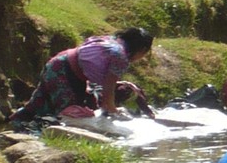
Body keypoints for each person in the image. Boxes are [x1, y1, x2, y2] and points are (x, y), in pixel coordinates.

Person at [9, 27, 154, 123]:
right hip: (64, 72)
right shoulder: (120, 56)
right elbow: (108, 88)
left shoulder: (112, 41)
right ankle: (24, 130)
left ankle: (12, 124)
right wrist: (113, 111)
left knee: (38, 103)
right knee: (69, 112)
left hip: (60, 62)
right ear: (141, 49)